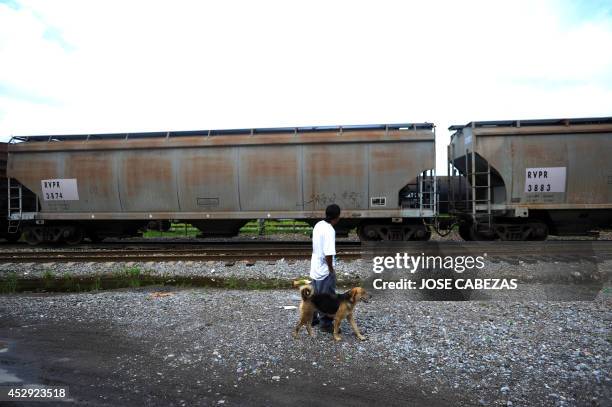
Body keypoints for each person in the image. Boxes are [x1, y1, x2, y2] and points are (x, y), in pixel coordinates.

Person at [310, 203, 341, 332]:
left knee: (316, 295)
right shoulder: (329, 230)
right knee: (327, 298)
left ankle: (313, 319)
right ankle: (326, 324)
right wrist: (331, 270)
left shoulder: (318, 225)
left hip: (315, 267)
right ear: (337, 217)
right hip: (324, 270)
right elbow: (328, 254)